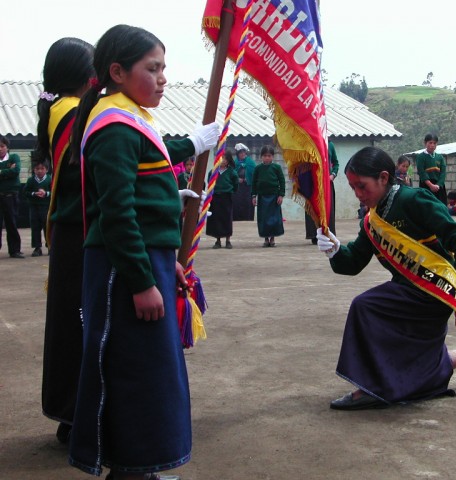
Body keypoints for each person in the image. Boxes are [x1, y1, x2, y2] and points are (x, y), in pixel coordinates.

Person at [68, 24, 221, 479]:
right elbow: (117, 213)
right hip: (123, 271)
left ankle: (145, 467)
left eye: (164, 69)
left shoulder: (133, 117)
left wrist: (164, 260)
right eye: (152, 68)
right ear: (117, 72)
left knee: (154, 372)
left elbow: (141, 198)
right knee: (133, 372)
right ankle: (132, 469)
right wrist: (140, 281)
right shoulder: (114, 124)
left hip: (145, 260)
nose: (162, 78)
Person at [315, 146, 456, 411]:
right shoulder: (371, 221)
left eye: (361, 186)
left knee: (365, 307)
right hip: (407, 290)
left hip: (434, 292)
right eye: (352, 187)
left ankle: (370, 387)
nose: (357, 194)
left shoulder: (414, 200)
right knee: (414, 368)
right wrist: (334, 251)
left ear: (383, 177)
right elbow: (353, 262)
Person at [33, 37, 95, 444]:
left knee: (72, 326)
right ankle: (78, 417)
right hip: (83, 232)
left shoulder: (61, 110)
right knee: (81, 327)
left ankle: (71, 417)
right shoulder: (74, 113)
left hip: (73, 232)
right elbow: (96, 171)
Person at [305, 140, 339, 244]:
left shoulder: (330, 145)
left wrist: (332, 175)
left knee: (327, 208)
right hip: (312, 182)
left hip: (326, 183)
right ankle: (314, 234)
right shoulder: (308, 142)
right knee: (313, 207)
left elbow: (336, 163)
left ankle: (328, 233)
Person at [252, 145, 285, 247]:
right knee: (264, 219)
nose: (267, 158)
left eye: (269, 156)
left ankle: (272, 238)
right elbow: (254, 183)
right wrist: (254, 196)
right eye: (265, 156)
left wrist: (281, 195)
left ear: (273, 157)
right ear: (261, 156)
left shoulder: (277, 168)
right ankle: (266, 239)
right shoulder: (258, 169)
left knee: (274, 219)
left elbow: (282, 181)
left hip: (274, 197)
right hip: (262, 197)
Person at [207, 148, 239, 249]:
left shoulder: (232, 172)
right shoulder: (212, 172)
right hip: (215, 197)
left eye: (225, 158)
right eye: (221, 158)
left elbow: (235, 185)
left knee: (227, 218)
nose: (223, 160)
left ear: (229, 160)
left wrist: (230, 191)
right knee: (216, 219)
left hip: (226, 197)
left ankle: (228, 240)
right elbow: (209, 184)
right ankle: (218, 240)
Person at [0, 135, 24, 258]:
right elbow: (11, 172)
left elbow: (16, 171)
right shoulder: (10, 162)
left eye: (2, 146)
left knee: (12, 223)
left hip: (11, 196)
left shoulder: (14, 157)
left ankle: (14, 250)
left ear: (7, 147)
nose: (0, 149)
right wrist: (7, 172)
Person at [23, 159, 51, 256]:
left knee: (47, 226)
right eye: (37, 169)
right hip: (34, 207)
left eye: (42, 168)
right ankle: (37, 247)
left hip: (46, 207)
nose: (39, 171)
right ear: (34, 170)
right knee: (35, 227)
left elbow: (54, 193)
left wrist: (46, 193)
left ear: (46, 170)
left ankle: (50, 246)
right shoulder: (31, 180)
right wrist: (34, 193)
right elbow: (25, 192)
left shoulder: (50, 179)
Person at [416, 133, 447, 204]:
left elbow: (443, 173)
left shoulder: (440, 157)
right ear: (425, 143)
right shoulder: (421, 157)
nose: (432, 145)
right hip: (426, 186)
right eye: (430, 143)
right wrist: (431, 185)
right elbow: (422, 173)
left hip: (439, 186)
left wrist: (438, 185)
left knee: (440, 206)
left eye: (434, 143)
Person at [232, 143, 256, 221]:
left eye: (243, 152)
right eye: (240, 152)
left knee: (248, 206)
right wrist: (237, 179)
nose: (242, 154)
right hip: (237, 189)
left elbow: (255, 176)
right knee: (237, 205)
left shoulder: (250, 163)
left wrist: (247, 179)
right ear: (237, 154)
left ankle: (248, 223)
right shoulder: (234, 164)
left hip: (248, 189)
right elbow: (231, 175)